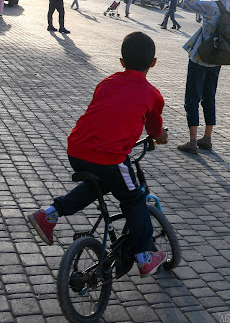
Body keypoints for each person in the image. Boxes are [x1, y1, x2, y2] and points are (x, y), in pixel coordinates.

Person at [28, 31, 168, 278]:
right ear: (154, 62)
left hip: (77, 149)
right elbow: (154, 128)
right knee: (134, 200)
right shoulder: (152, 94)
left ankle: (49, 214)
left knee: (99, 184)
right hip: (111, 156)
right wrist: (160, 136)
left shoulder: (107, 82)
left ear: (122, 61)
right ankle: (145, 256)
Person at [178, 0, 230, 154]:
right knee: (209, 97)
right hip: (218, 59)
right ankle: (207, 138)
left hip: (200, 58)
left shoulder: (211, 6)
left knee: (192, 98)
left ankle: (192, 142)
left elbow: (187, 0)